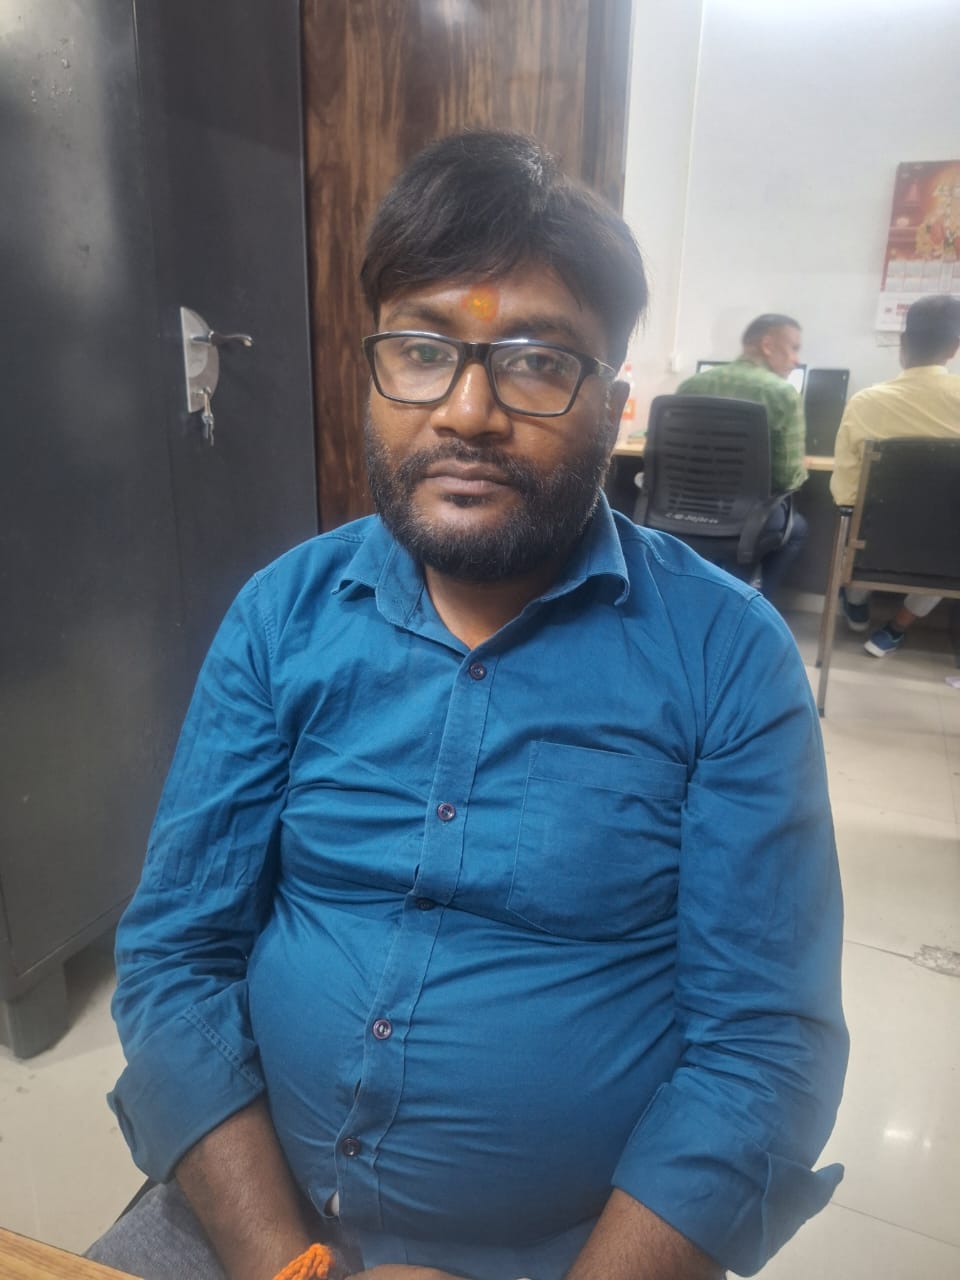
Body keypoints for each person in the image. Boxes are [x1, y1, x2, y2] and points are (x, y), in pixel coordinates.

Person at [89, 131, 847, 1280]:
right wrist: (291, 1265)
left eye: (537, 360)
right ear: (373, 375)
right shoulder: (282, 614)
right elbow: (175, 954)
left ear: (614, 406)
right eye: (422, 349)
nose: (468, 409)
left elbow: (763, 1051)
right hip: (249, 1213)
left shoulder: (726, 657)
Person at [831, 294, 960, 656]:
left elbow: (844, 494)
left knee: (857, 526)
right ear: (954, 348)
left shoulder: (865, 403)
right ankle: (896, 628)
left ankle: (856, 600)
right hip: (948, 556)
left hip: (875, 548)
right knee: (952, 537)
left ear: (903, 343)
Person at [675, 315, 809, 605]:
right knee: (797, 528)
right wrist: (801, 467)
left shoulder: (690, 385)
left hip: (681, 511)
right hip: (747, 520)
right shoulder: (783, 393)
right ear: (768, 345)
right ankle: (756, 605)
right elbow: (787, 478)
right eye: (793, 348)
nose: (796, 360)